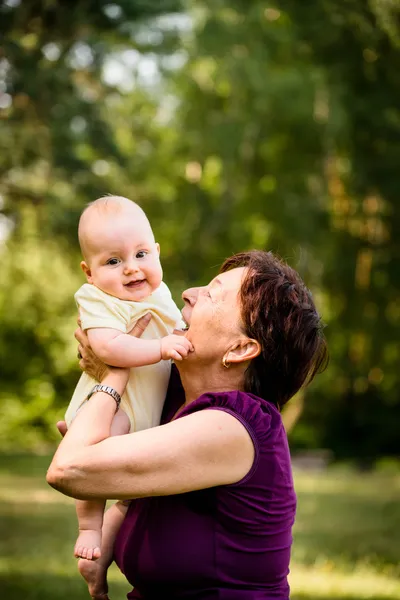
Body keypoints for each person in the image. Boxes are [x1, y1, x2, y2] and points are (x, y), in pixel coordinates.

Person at [48, 250, 328, 600]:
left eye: (211, 293)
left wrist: (114, 372)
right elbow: (112, 484)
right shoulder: (176, 401)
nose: (188, 292)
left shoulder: (235, 427)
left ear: (241, 348)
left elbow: (69, 468)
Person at [65, 195, 192, 561]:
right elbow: (108, 348)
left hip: (148, 410)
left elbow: (178, 330)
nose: (131, 269)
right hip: (109, 409)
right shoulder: (96, 299)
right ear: (89, 272)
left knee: (133, 498)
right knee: (100, 457)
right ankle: (90, 526)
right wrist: (162, 348)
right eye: (113, 261)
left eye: (140, 255)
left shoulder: (161, 294)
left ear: (156, 253)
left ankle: (102, 561)